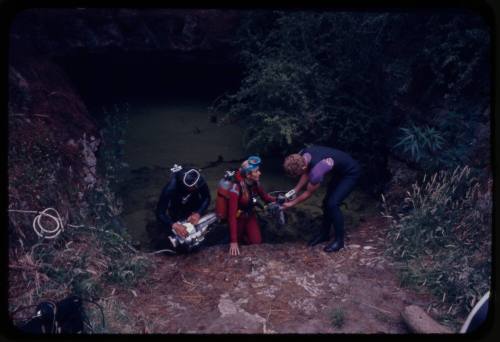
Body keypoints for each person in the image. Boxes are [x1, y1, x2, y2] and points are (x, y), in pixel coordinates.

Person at [282, 145, 361, 252]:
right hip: (339, 171)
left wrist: (291, 204)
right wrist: (295, 190)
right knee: (326, 203)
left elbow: (309, 192)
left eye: (298, 174)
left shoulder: (317, 171)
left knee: (332, 204)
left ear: (303, 167)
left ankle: (339, 241)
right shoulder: (301, 155)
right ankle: (324, 234)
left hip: (350, 173)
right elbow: (305, 173)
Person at [227, 156, 276, 256]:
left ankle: (246, 235)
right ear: (249, 175)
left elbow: (265, 197)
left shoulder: (255, 183)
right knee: (238, 241)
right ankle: (241, 236)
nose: (260, 173)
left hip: (250, 216)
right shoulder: (235, 189)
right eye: (256, 171)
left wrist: (280, 199)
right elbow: (231, 216)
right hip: (238, 218)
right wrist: (233, 241)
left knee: (256, 242)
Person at [155, 166, 211, 252]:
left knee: (202, 234)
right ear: (185, 186)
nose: (197, 187)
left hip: (194, 203)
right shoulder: (170, 188)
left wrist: (198, 213)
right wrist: (174, 225)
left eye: (197, 186)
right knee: (174, 236)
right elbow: (160, 213)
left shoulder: (199, 180)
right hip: (177, 207)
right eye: (194, 187)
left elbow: (206, 197)